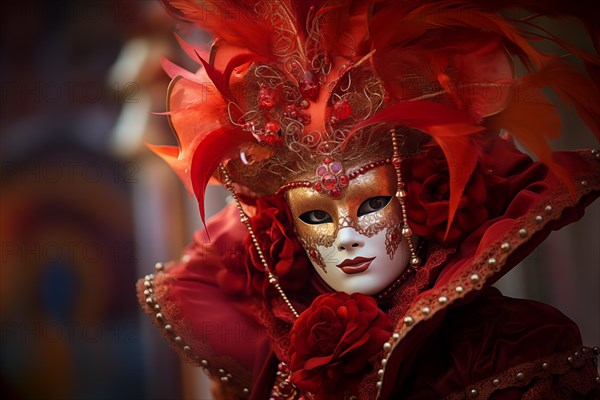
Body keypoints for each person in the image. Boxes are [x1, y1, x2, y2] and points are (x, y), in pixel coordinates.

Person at [138, 1, 600, 399]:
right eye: (316, 215)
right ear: (291, 228)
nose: (346, 237)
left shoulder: (503, 346)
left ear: (415, 196)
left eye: (371, 203)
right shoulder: (280, 364)